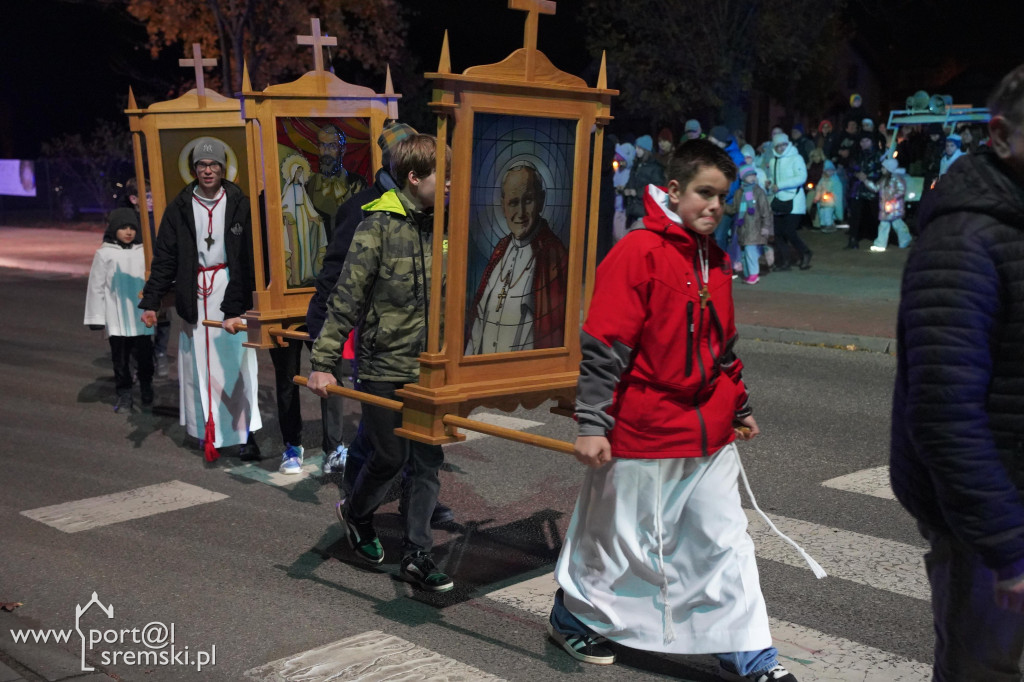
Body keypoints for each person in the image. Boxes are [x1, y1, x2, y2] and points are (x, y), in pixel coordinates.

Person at [548, 139, 799, 682]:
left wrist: (740, 404)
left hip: (708, 429)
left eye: (722, 197)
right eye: (705, 193)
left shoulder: (716, 259)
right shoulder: (637, 252)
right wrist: (592, 423)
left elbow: (722, 346)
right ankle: (573, 614)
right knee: (618, 543)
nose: (715, 206)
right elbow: (606, 343)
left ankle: (751, 655)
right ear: (674, 190)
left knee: (724, 540)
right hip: (643, 427)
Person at [890, 62, 1024, 681]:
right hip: (991, 522)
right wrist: (1007, 547)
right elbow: (945, 412)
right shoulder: (965, 239)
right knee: (982, 670)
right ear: (1000, 135)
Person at [307, 134, 455, 592]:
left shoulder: (448, 227)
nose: (451, 184)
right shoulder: (377, 225)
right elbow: (345, 298)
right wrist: (323, 361)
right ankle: (356, 513)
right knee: (390, 456)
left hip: (431, 368)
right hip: (383, 365)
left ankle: (417, 554)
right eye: (443, 176)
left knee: (427, 460)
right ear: (414, 177)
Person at [139, 137, 261, 463]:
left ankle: (245, 434)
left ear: (223, 168)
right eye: (202, 165)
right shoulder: (180, 207)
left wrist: (246, 301)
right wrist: (151, 301)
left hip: (230, 288)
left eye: (213, 164)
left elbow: (252, 256)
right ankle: (207, 431)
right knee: (199, 368)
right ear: (193, 169)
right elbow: (165, 258)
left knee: (237, 363)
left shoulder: (240, 203)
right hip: (194, 292)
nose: (207, 170)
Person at [465, 162, 569, 354]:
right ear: (503, 206)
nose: (520, 213)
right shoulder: (501, 250)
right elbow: (479, 319)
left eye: (528, 200)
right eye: (513, 202)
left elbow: (552, 330)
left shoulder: (553, 255)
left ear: (541, 201)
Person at [84, 208, 155, 413]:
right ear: (114, 229)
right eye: (123, 227)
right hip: (117, 316)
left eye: (132, 227)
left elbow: (154, 280)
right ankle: (124, 393)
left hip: (141, 316)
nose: (128, 232)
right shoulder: (104, 253)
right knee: (121, 358)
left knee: (145, 356)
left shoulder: (144, 252)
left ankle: (146, 387)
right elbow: (96, 286)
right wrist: (96, 316)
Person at [124, 177, 172, 379]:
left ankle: (160, 352)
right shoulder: (129, 223)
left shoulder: (160, 218)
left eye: (153, 196)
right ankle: (139, 359)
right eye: (147, 197)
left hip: (159, 275)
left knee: (163, 314)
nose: (152, 201)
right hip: (136, 275)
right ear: (134, 199)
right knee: (139, 318)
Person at [306, 124, 368, 229]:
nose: (326, 151)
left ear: (343, 150)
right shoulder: (309, 186)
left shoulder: (357, 184)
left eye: (332, 146)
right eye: (322, 145)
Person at [765, 132, 812, 270]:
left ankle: (805, 252)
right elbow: (774, 178)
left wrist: (780, 185)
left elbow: (801, 177)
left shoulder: (796, 158)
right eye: (778, 146)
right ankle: (785, 261)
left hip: (794, 200)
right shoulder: (773, 161)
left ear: (788, 144)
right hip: (779, 200)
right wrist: (770, 183)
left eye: (783, 145)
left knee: (789, 231)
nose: (781, 148)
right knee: (778, 233)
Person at [734, 164, 773, 284]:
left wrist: (766, 226)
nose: (752, 178)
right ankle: (749, 273)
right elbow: (735, 209)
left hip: (755, 226)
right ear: (743, 178)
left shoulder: (758, 191)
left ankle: (754, 275)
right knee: (746, 252)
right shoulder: (739, 192)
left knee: (750, 251)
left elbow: (765, 210)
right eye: (749, 176)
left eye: (753, 175)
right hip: (743, 227)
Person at [845, 134, 882, 249]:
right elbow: (849, 169)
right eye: (862, 141)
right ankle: (853, 239)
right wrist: (856, 174)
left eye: (867, 140)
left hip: (872, 189)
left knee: (874, 214)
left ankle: (877, 237)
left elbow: (881, 171)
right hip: (857, 189)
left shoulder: (878, 155)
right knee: (855, 215)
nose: (864, 143)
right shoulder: (857, 155)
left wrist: (867, 176)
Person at [622, 134, 667, 229]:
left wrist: (637, 192)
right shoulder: (636, 165)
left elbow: (657, 188)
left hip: (644, 211)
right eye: (636, 148)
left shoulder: (655, 168)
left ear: (646, 150)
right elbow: (630, 181)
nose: (636, 150)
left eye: (639, 148)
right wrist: (626, 190)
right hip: (632, 211)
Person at [869, 158, 911, 251]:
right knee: (886, 225)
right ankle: (882, 244)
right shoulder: (883, 179)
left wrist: (892, 197)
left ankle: (903, 240)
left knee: (896, 224)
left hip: (894, 207)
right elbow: (876, 188)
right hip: (886, 208)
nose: (882, 169)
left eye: (883, 168)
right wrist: (866, 181)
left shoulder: (896, 179)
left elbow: (901, 190)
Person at [811, 160, 843, 232]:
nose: (830, 172)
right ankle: (824, 225)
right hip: (822, 202)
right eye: (828, 170)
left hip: (830, 201)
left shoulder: (835, 180)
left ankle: (829, 226)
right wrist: (816, 198)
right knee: (823, 214)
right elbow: (819, 190)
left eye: (831, 170)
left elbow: (837, 191)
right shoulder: (822, 180)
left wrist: (831, 194)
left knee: (828, 214)